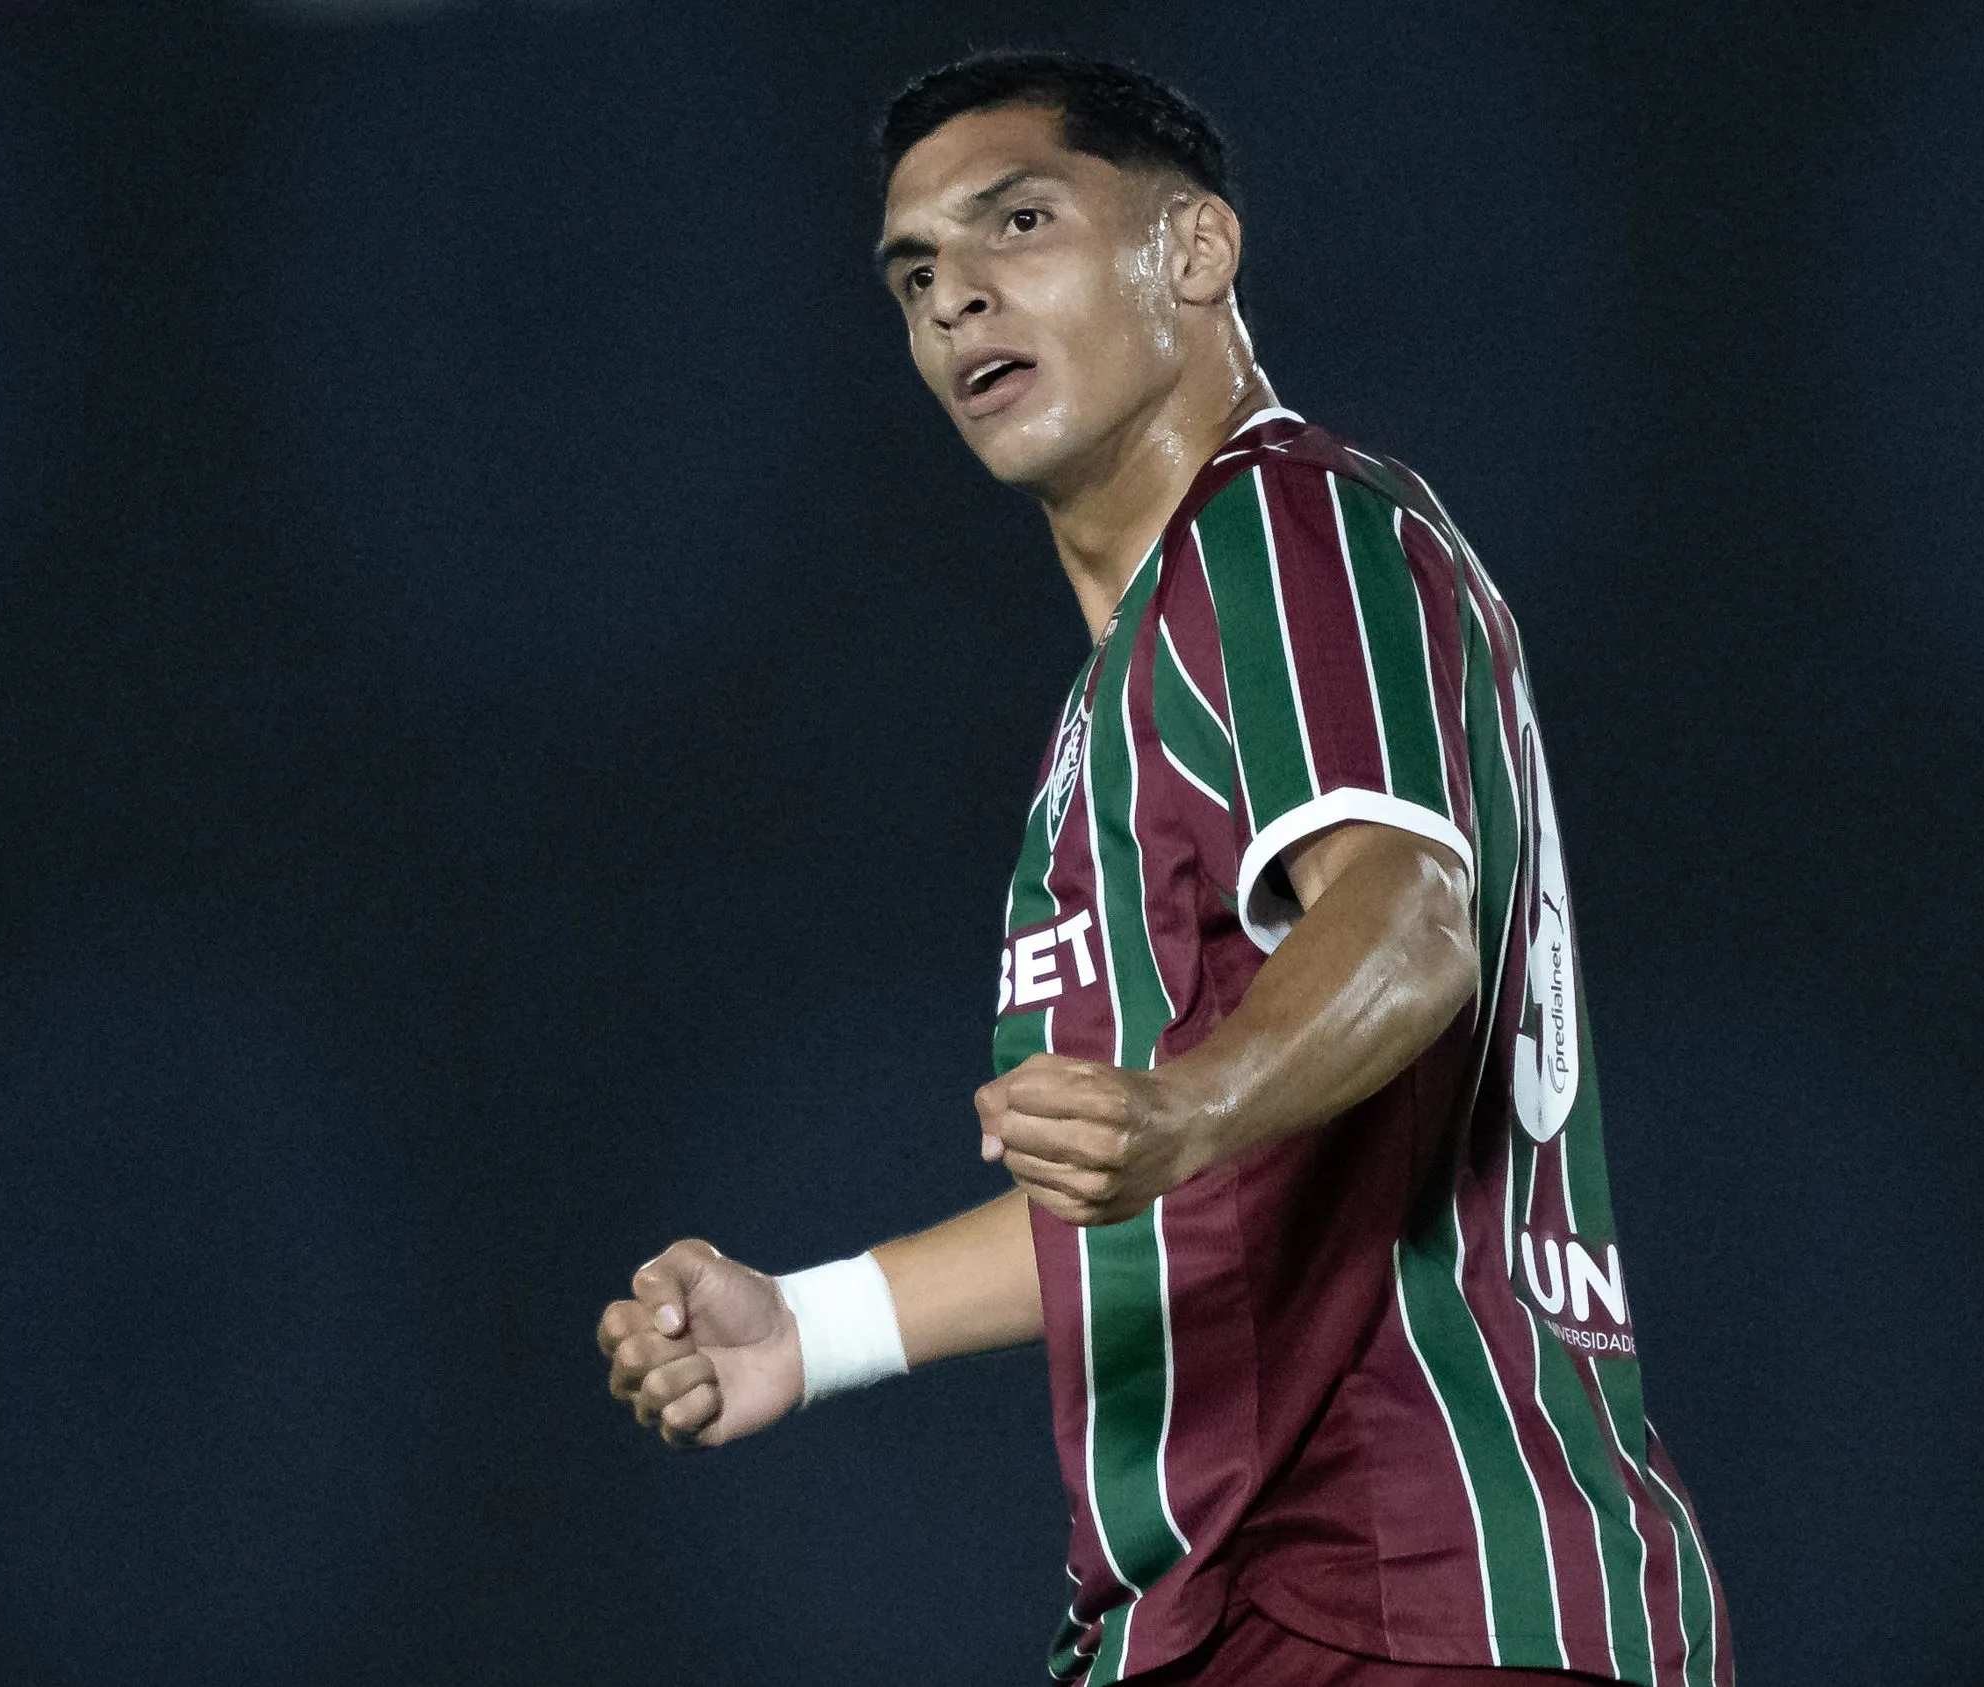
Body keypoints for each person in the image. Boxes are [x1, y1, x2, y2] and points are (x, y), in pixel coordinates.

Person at [594, 51, 1732, 1687]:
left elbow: (1410, 922)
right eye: (917, 274)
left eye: (1021, 223)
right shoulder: (1139, 678)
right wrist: (816, 1322)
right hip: (1281, 1608)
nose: (957, 299)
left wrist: (1187, 1104)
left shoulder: (1278, 527)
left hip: (1388, 1586)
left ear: (1194, 252)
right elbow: (1183, 1198)